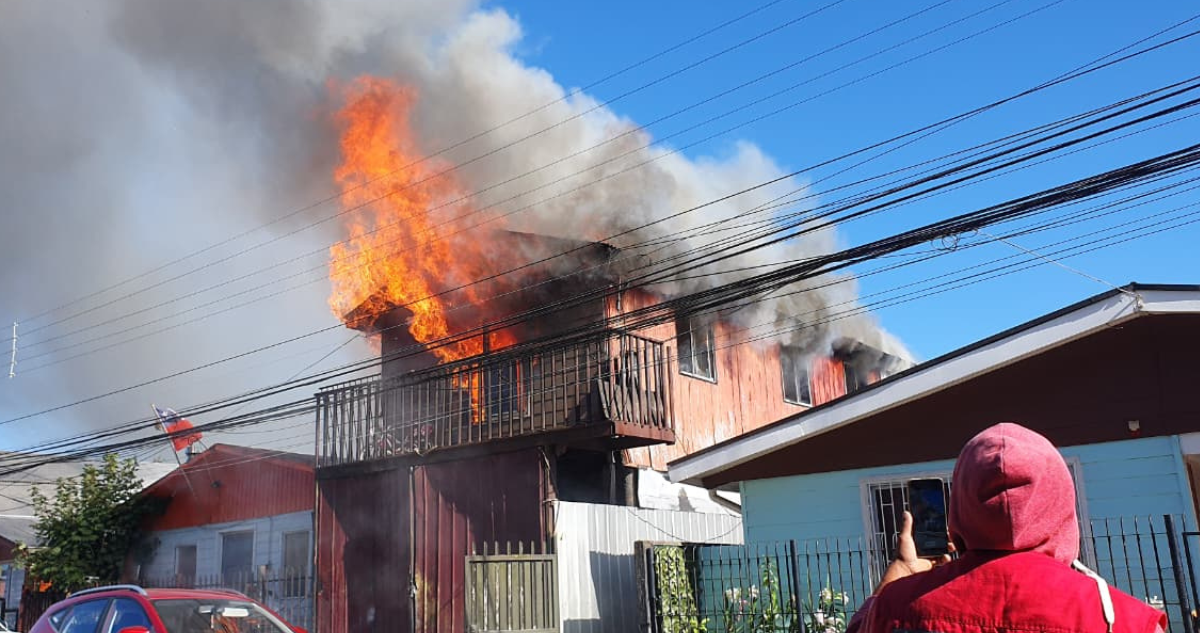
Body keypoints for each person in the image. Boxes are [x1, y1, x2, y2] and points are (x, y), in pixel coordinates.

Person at [847, 423, 1167, 633]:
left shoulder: (895, 607)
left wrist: (900, 574)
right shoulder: (1129, 620)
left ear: (959, 506)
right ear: (1061, 502)